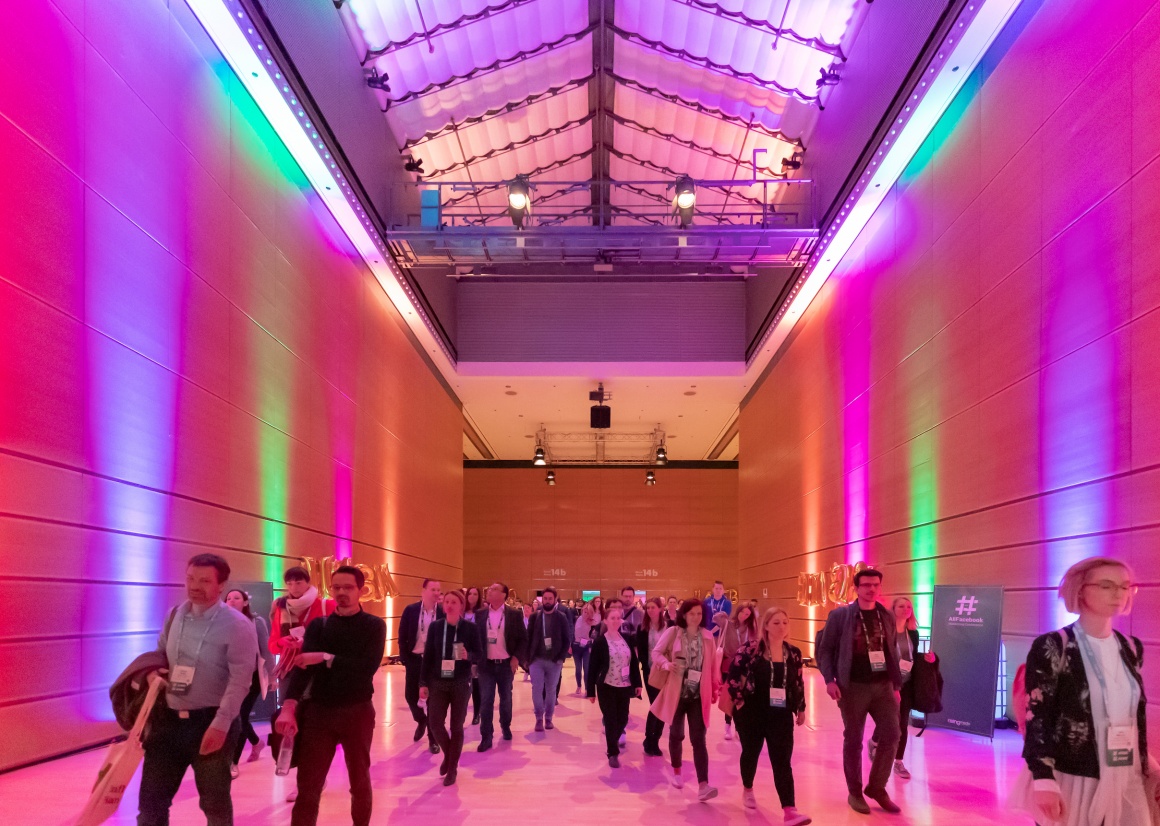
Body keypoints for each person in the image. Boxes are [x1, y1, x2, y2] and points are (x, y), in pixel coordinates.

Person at [1014, 556, 1158, 826]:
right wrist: (1042, 776)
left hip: (1124, 770)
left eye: (1126, 586)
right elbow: (1038, 714)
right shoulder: (1054, 645)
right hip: (1073, 773)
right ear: (1080, 589)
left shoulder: (1131, 647)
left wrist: (1147, 762)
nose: (1118, 594)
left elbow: (1129, 714)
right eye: (1106, 586)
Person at [138, 554, 258, 826]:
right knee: (151, 805)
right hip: (167, 723)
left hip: (210, 720)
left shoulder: (238, 625)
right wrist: (153, 672)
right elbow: (160, 653)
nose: (194, 586)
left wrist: (222, 723)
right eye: (190, 578)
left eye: (204, 581)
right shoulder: (174, 615)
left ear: (222, 585)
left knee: (214, 805)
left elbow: (241, 679)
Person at [275, 566, 385, 826]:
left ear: (361, 590)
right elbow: (303, 670)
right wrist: (288, 705)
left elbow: (366, 668)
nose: (342, 593)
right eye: (337, 588)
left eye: (348, 587)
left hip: (356, 711)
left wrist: (325, 657)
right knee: (308, 787)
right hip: (319, 713)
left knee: (359, 781)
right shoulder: (318, 626)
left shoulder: (374, 626)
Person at [817, 568, 903, 815]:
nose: (872, 589)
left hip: (883, 685)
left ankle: (877, 787)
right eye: (866, 585)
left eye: (876, 585)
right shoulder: (841, 616)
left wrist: (895, 685)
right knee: (853, 739)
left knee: (892, 733)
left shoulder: (885, 615)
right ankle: (854, 792)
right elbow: (825, 650)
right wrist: (829, 679)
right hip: (852, 686)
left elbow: (891, 649)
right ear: (856, 588)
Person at [724, 607, 811, 825]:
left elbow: (797, 682)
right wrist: (740, 704)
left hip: (780, 715)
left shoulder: (793, 653)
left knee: (782, 761)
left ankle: (790, 809)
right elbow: (733, 678)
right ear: (765, 626)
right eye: (776, 623)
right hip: (752, 713)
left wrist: (801, 708)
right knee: (750, 754)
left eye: (784, 622)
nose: (781, 627)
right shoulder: (750, 650)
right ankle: (748, 787)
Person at [651, 598, 721, 802]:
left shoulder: (708, 637)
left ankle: (703, 785)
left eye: (699, 614)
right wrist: (666, 664)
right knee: (676, 734)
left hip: (699, 695)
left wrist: (715, 688)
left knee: (699, 739)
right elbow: (656, 652)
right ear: (684, 614)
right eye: (691, 613)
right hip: (677, 693)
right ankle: (677, 772)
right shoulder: (674, 632)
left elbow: (713, 666)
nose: (695, 617)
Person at [869, 596, 935, 779]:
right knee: (888, 720)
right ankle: (875, 741)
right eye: (901, 606)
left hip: (905, 683)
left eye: (909, 607)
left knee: (902, 724)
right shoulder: (885, 631)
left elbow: (912, 656)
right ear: (893, 609)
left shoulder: (913, 633)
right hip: (886, 683)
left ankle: (898, 762)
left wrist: (929, 658)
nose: (906, 609)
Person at [420, 590, 481, 786]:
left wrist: (468, 656)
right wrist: (423, 683)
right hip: (438, 681)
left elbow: (480, 654)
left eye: (454, 602)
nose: (449, 605)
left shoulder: (470, 628)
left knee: (456, 727)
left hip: (460, 682)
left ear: (461, 606)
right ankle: (450, 756)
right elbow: (428, 656)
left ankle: (452, 768)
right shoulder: (436, 627)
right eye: (446, 601)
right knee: (435, 723)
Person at [223, 588, 275, 775]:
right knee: (235, 716)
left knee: (240, 716)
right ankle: (256, 742)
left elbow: (266, 650)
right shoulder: (220, 622)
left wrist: (273, 676)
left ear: (245, 602)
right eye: (228, 598)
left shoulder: (255, 621)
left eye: (237, 598)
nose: (232, 600)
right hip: (228, 677)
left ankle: (233, 762)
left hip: (251, 677)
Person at [587, 605, 642, 768]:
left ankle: (613, 741)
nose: (616, 621)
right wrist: (591, 691)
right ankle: (613, 752)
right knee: (611, 720)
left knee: (623, 718)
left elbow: (633, 664)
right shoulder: (600, 642)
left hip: (624, 686)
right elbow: (593, 668)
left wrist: (637, 683)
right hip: (607, 686)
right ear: (606, 620)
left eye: (618, 618)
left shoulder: (626, 638)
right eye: (613, 618)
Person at [474, 582, 527, 752]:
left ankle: (505, 726)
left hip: (505, 665)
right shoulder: (480, 614)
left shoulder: (514, 614)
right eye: (489, 588)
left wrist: (516, 658)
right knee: (486, 701)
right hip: (486, 666)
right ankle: (486, 736)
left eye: (494, 589)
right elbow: (475, 639)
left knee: (506, 699)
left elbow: (522, 640)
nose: (489, 590)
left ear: (504, 595)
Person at [398, 579, 443, 753]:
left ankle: (433, 739)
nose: (436, 593)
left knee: (433, 701)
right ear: (423, 590)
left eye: (439, 590)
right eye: (433, 589)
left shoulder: (442, 613)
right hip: (415, 660)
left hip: (434, 663)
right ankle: (421, 720)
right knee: (410, 696)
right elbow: (402, 635)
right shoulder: (411, 610)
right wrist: (405, 658)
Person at [524, 586, 572, 732]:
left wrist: (561, 658)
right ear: (541, 600)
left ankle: (549, 718)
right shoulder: (535, 616)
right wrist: (528, 659)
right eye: (545, 598)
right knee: (536, 690)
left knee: (551, 691)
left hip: (554, 661)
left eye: (550, 598)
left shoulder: (561, 617)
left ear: (555, 600)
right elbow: (528, 638)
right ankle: (539, 718)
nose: (547, 601)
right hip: (537, 660)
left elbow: (567, 638)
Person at [269, 567, 334, 661]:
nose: (293, 588)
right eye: (289, 584)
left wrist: (306, 642)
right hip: (290, 667)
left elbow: (336, 640)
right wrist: (281, 642)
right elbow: (273, 647)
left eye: (298, 583)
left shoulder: (326, 605)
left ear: (308, 582)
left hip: (317, 666)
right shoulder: (282, 608)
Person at [718, 600, 759, 741]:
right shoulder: (728, 624)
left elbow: (756, 645)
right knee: (730, 696)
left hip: (745, 666)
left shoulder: (752, 628)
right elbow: (715, 619)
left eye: (747, 614)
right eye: (742, 612)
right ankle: (727, 725)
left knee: (743, 697)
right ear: (738, 611)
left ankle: (739, 727)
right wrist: (721, 612)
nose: (744, 615)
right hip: (728, 664)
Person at [637, 597, 669, 756]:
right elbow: (641, 652)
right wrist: (646, 667)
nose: (650, 610)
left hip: (667, 671)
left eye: (653, 607)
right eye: (647, 608)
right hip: (650, 671)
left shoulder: (669, 627)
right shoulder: (642, 628)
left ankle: (654, 739)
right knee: (656, 705)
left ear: (660, 609)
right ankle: (650, 739)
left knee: (663, 705)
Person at [464, 586, 483, 726]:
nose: (472, 596)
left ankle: (477, 713)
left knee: (476, 686)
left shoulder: (482, 613)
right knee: (463, 686)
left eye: (475, 594)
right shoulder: (461, 612)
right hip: (461, 652)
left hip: (476, 654)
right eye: (470, 593)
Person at [573, 601, 600, 697]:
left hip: (586, 647)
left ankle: (587, 688)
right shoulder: (577, 619)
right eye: (584, 611)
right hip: (576, 646)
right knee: (578, 668)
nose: (585, 614)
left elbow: (595, 636)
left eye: (588, 612)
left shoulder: (593, 623)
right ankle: (579, 686)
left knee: (587, 668)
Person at [521, 602, 534, 681]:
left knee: (531, 658)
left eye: (528, 608)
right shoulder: (521, 619)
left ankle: (530, 672)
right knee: (522, 659)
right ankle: (527, 670)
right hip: (523, 641)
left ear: (531, 609)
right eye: (525, 608)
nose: (526, 610)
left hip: (532, 641)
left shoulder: (534, 618)